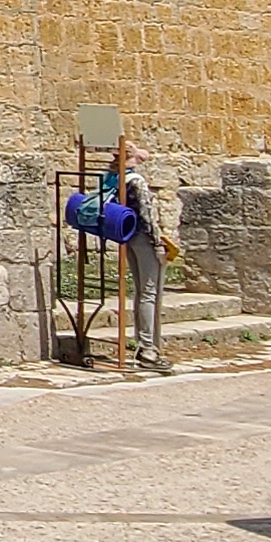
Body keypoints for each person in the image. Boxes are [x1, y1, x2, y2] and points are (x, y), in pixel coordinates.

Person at [114, 134, 182, 367]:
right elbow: (147, 215)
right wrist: (158, 244)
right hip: (144, 238)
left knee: (141, 291)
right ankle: (148, 349)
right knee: (150, 292)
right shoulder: (137, 182)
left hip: (128, 236)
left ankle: (143, 345)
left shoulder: (117, 178)